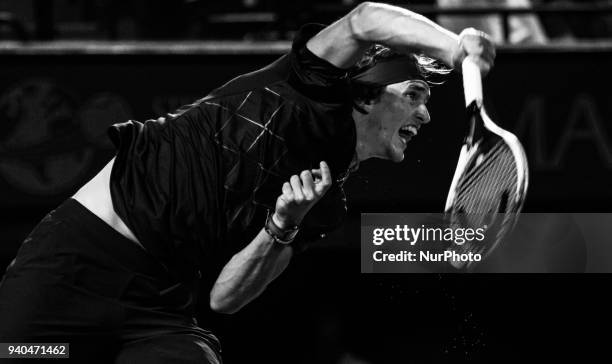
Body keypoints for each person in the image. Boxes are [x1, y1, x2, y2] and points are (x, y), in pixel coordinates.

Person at [0, 2, 495, 363]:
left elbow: (226, 299)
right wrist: (456, 45)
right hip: (69, 272)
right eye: (414, 94)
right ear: (367, 95)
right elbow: (364, 19)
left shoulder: (324, 205)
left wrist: (280, 225)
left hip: (156, 308)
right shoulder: (306, 88)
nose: (426, 115)